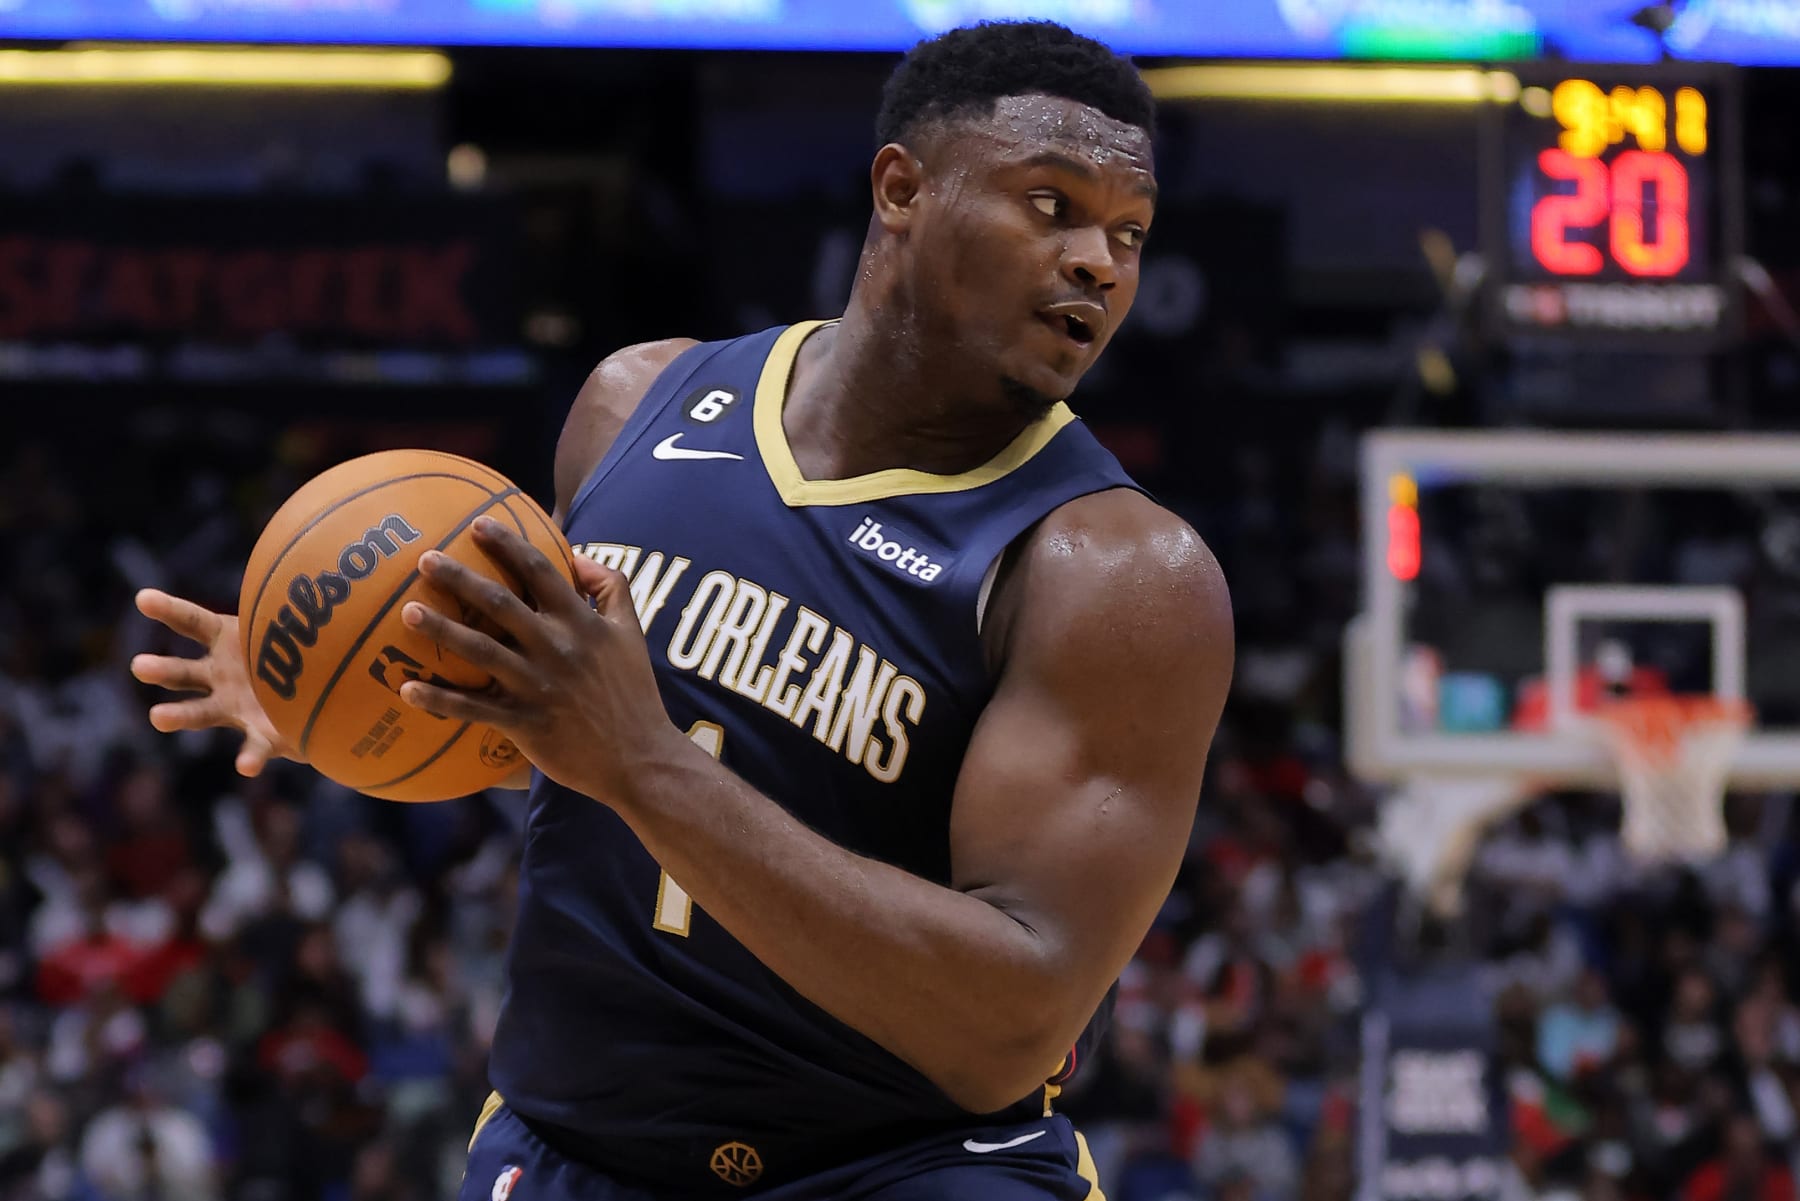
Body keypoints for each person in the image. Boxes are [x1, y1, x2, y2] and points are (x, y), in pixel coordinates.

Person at [130, 20, 1233, 1201]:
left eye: (1128, 231)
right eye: (1051, 203)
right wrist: (364, 681)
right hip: (576, 1148)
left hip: (907, 1168)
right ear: (901, 188)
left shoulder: (1119, 574)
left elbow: (1008, 1025)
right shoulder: (635, 402)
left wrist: (643, 762)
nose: (1098, 264)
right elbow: (560, 741)